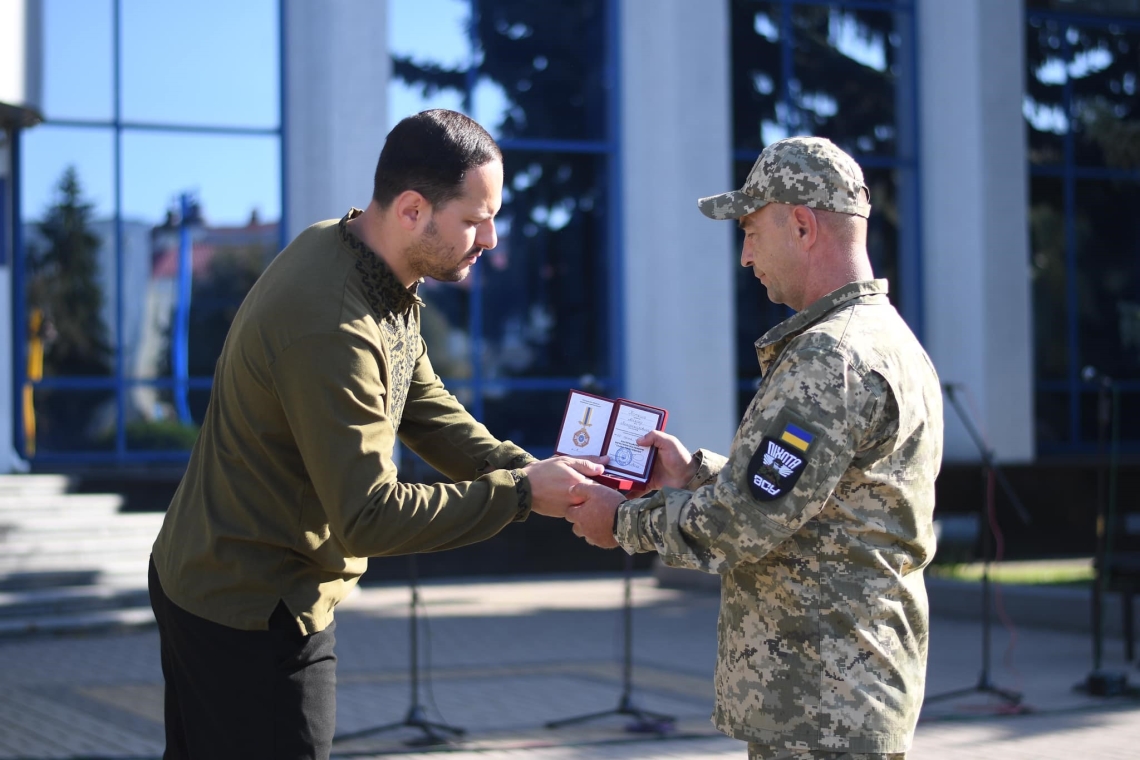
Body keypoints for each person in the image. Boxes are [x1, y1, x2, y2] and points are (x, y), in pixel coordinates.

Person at [148, 109, 603, 759]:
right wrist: (522, 495)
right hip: (244, 609)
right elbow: (369, 515)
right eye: (475, 219)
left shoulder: (364, 263)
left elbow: (425, 405)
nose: (492, 239)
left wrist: (531, 471)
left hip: (224, 579)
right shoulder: (334, 321)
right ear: (413, 209)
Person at [566, 136, 944, 760]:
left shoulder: (830, 355)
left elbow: (744, 522)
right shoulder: (886, 339)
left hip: (824, 710)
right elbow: (824, 498)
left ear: (801, 224)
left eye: (749, 230)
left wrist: (622, 522)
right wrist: (695, 472)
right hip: (845, 697)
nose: (744, 256)